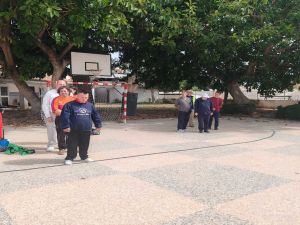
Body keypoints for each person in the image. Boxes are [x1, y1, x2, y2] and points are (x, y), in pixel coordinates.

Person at [60, 89, 102, 165]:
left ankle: (84, 156)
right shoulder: (69, 105)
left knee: (85, 144)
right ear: (77, 96)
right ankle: (70, 158)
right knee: (72, 144)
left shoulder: (90, 105)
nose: (84, 99)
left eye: (86, 97)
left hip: (86, 129)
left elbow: (95, 116)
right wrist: (66, 126)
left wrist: (98, 125)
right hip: (72, 130)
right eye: (82, 97)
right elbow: (64, 117)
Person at [42, 80, 66, 151]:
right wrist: (48, 115)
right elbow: (45, 104)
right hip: (52, 114)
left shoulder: (68, 93)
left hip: (65, 114)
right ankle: (51, 144)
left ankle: (64, 145)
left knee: (65, 129)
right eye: (60, 84)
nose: (61, 85)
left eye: (63, 84)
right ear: (56, 84)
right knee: (51, 129)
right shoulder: (50, 93)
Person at [51, 86, 75, 155]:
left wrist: (64, 112)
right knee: (61, 134)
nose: (63, 92)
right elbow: (55, 110)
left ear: (68, 92)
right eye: (61, 91)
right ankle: (62, 148)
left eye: (65, 91)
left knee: (72, 134)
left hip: (72, 119)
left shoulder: (73, 99)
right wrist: (68, 113)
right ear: (59, 92)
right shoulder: (56, 99)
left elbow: (76, 109)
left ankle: (71, 147)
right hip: (60, 119)